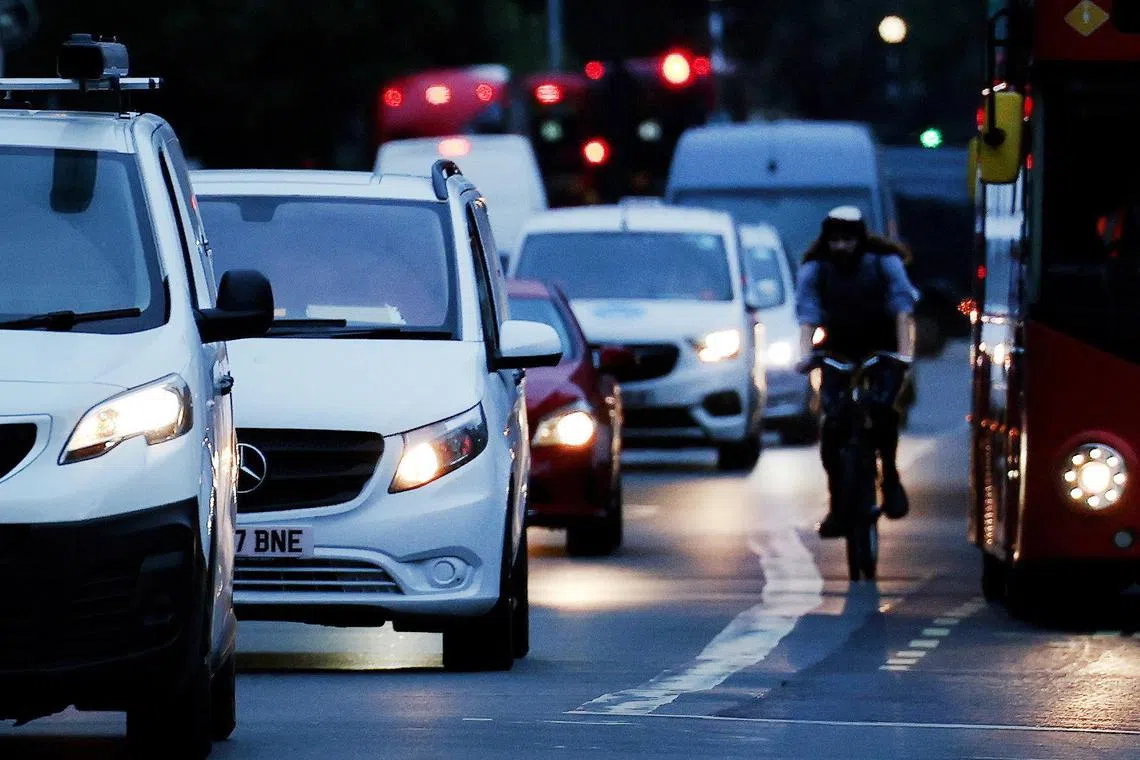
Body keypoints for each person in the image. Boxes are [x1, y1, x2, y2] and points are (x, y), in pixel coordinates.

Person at [793, 206, 919, 538]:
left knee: (882, 410)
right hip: (837, 351)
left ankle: (890, 478)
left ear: (860, 238)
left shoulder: (884, 262)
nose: (842, 247)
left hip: (883, 349)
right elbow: (807, 314)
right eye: (835, 240)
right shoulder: (815, 269)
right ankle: (838, 505)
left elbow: (903, 308)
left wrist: (904, 354)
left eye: (848, 240)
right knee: (832, 425)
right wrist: (805, 355)